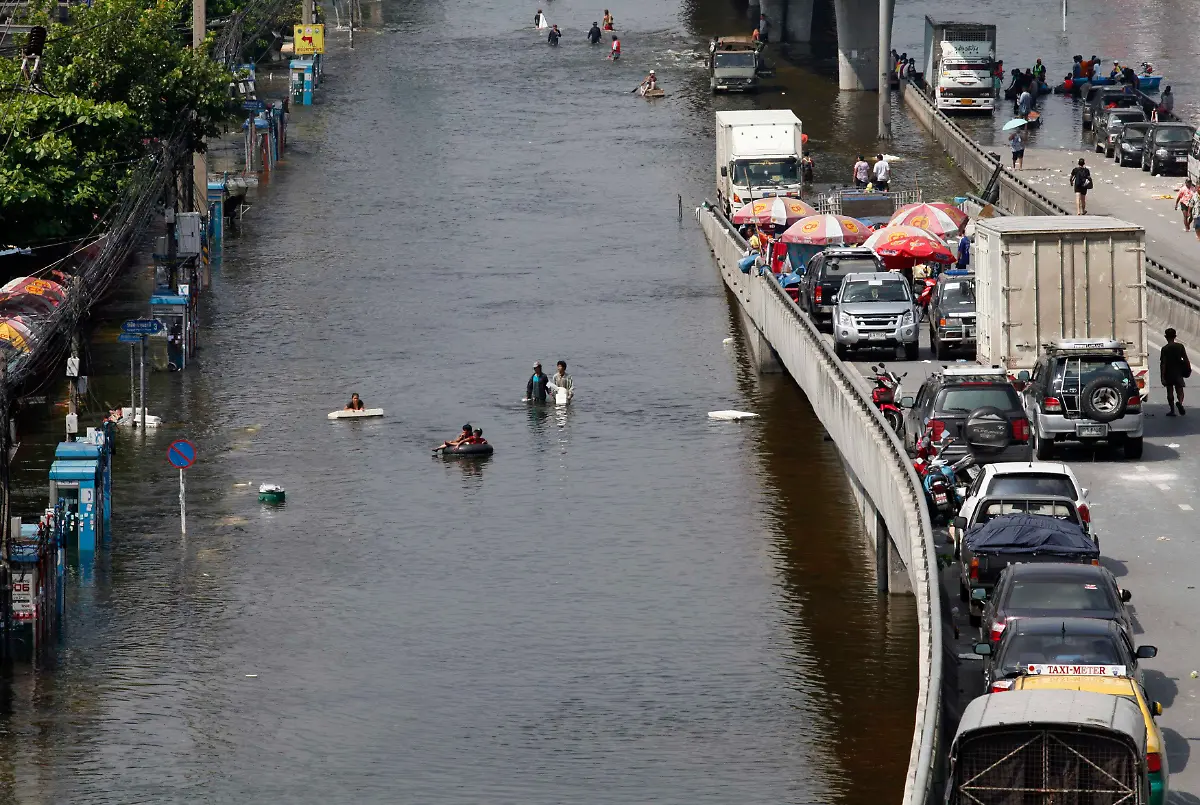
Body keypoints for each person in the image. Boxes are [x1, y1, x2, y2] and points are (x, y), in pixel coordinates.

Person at [1161, 328, 1191, 416]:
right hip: (1178, 372)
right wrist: (1188, 368)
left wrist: (1162, 377)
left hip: (1168, 373)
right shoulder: (1180, 346)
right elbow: (1186, 359)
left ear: (1166, 337)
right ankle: (1180, 403)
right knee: (1180, 390)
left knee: (1169, 391)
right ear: (1175, 336)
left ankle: (1172, 411)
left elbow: (1163, 364)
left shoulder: (1164, 349)